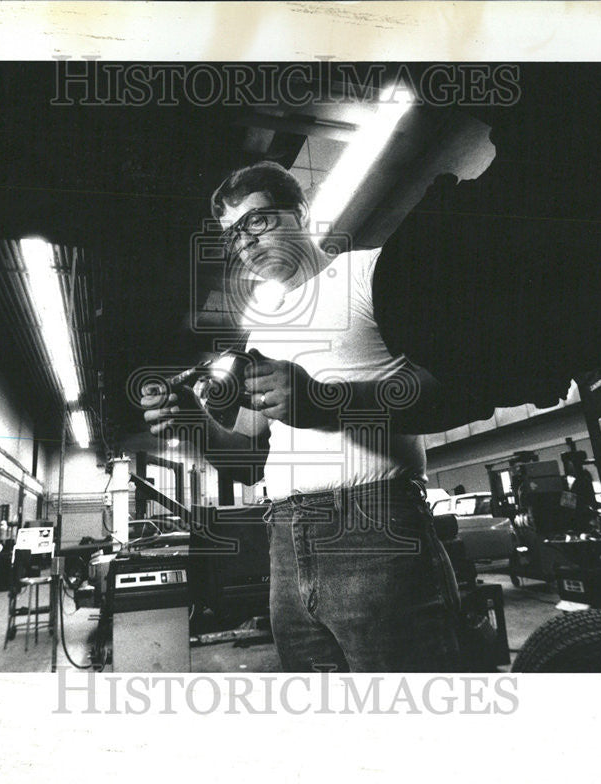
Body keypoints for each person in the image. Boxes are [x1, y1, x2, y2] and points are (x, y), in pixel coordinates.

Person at [141, 161, 463, 672]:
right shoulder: (263, 328)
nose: (243, 243)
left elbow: (446, 390)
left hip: (374, 526)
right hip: (286, 540)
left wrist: (326, 401)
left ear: (300, 211)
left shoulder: (370, 272)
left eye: (256, 221)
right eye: (231, 235)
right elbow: (248, 456)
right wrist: (190, 421)